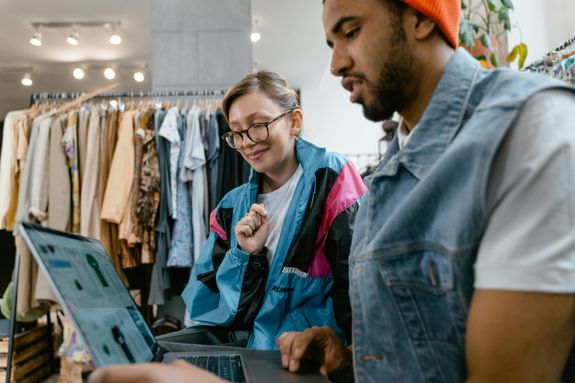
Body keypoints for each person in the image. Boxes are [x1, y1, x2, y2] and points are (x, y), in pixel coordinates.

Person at [90, 0, 575, 382]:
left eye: (352, 31)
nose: (337, 62)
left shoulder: (528, 130)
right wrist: (343, 361)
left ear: (421, 18)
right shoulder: (392, 170)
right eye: (331, 41)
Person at [165, 70, 364, 350]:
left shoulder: (332, 179)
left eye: (257, 125)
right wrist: (248, 256)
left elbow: (359, 287)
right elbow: (206, 306)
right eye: (236, 132)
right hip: (251, 357)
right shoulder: (230, 208)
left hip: (309, 362)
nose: (246, 141)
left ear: (294, 121)